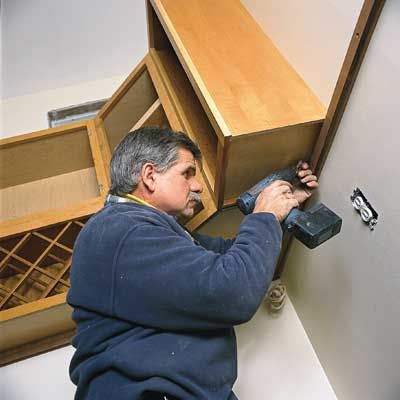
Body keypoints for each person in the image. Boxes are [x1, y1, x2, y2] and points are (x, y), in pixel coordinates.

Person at [67, 127, 318, 400]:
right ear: (149, 176)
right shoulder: (119, 228)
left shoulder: (153, 234)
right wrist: (265, 216)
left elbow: (232, 257)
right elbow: (233, 291)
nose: (197, 185)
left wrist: (280, 208)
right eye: (187, 173)